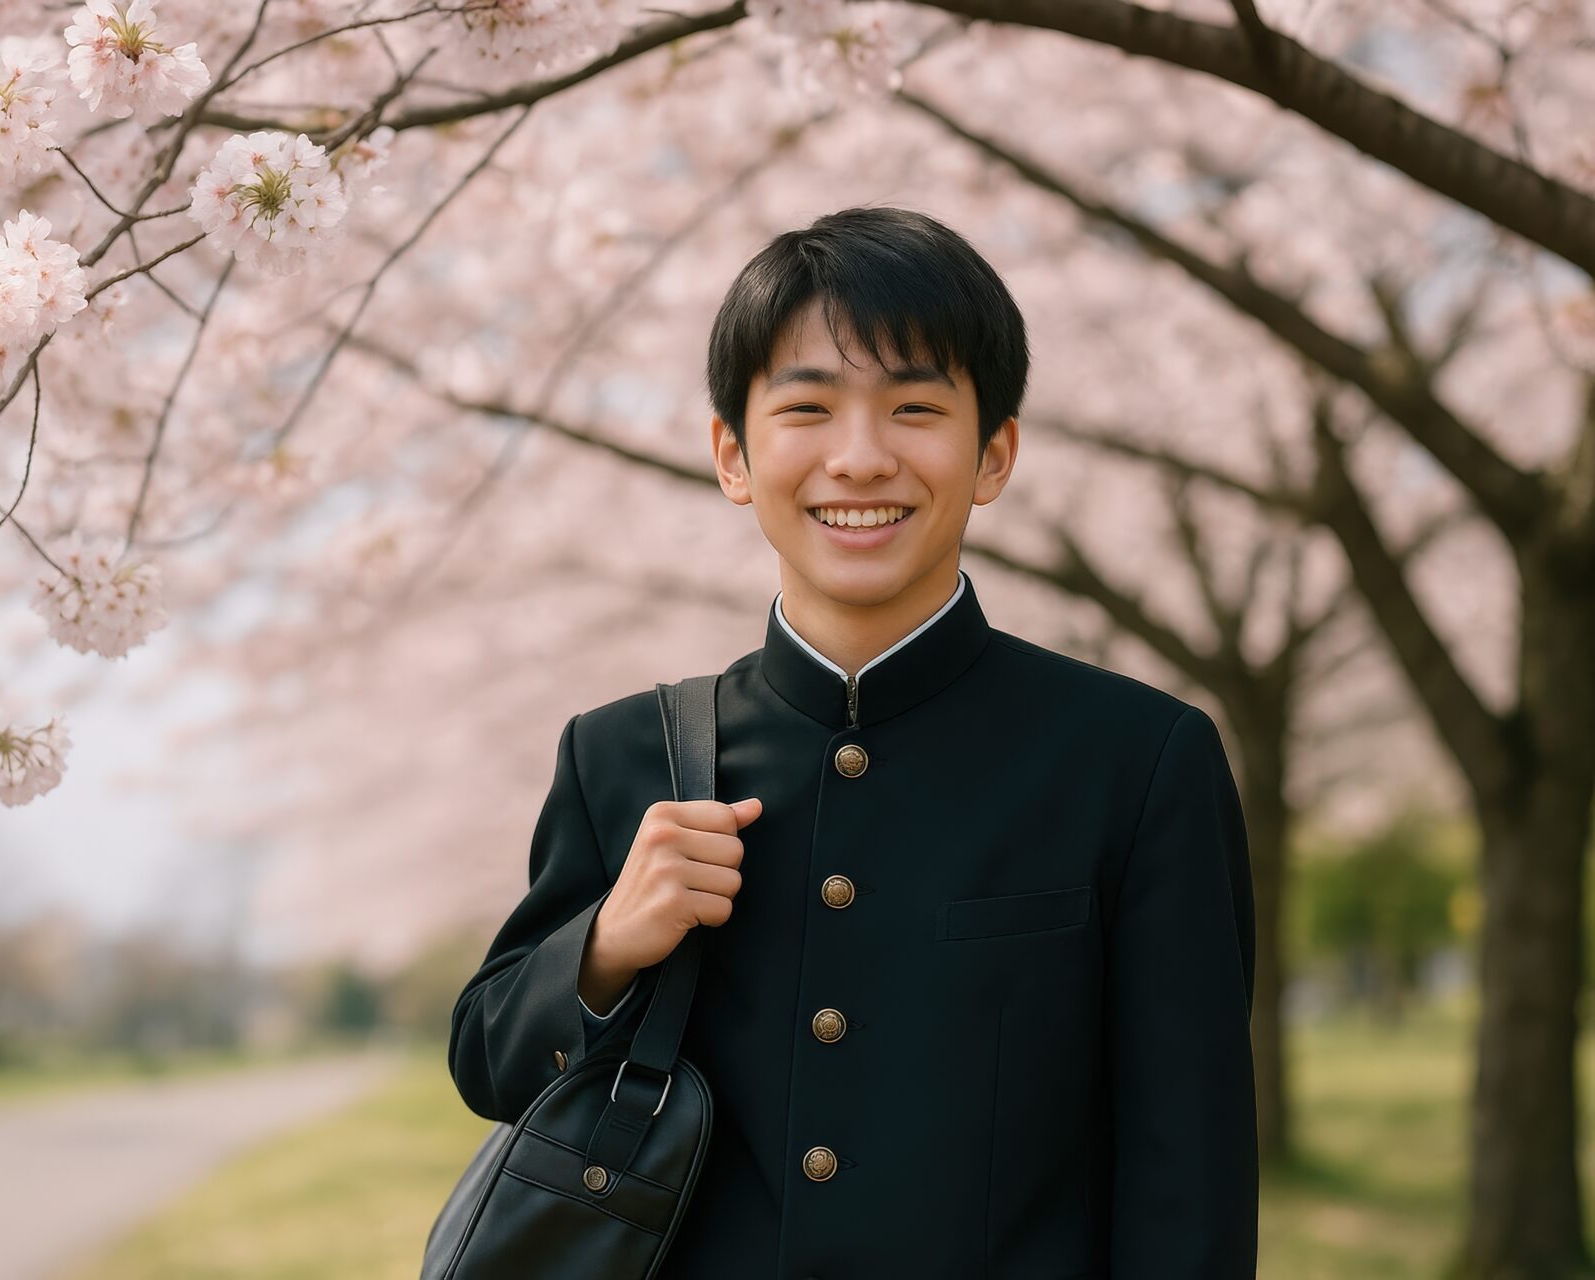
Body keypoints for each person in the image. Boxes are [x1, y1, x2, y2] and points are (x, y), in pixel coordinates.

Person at [446, 204, 1258, 1278]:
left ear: (994, 454)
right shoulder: (620, 754)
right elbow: (490, 1059)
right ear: (734, 455)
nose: (861, 458)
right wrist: (606, 944)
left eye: (916, 405)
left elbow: (1188, 1180)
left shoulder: (1139, 762)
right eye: (809, 408)